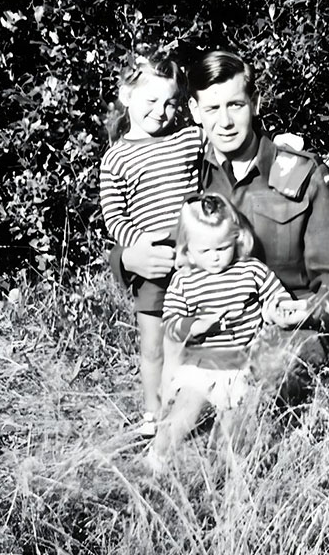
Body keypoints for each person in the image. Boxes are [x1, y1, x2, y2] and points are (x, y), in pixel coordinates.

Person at [110, 50, 329, 402]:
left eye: (235, 105)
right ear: (195, 111)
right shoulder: (188, 173)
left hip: (286, 333)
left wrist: (305, 310)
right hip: (215, 336)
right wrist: (125, 259)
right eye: (212, 109)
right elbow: (147, 223)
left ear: (254, 103)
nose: (224, 122)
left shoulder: (301, 177)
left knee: (261, 383)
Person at [148, 191, 293, 467]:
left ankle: (227, 472)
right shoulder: (185, 280)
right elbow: (171, 323)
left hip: (243, 366)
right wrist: (195, 325)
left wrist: (279, 310)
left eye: (222, 248)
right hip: (203, 365)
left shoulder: (250, 270)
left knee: (233, 429)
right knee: (185, 412)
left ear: (237, 239)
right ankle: (157, 458)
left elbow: (276, 296)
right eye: (205, 251)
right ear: (188, 249)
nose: (215, 257)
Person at [100, 56, 204, 436]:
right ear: (127, 97)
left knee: (196, 335)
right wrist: (138, 249)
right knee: (153, 345)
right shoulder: (116, 158)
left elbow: (228, 135)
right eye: (151, 101)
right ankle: (152, 412)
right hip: (154, 262)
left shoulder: (187, 138)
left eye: (171, 102)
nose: (161, 112)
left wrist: (278, 143)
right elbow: (114, 217)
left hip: (195, 255)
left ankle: (194, 405)